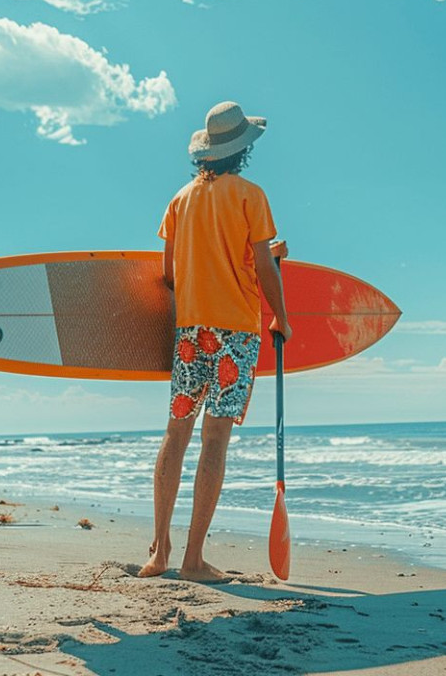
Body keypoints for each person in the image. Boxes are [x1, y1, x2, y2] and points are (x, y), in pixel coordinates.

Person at [139, 101, 292, 582]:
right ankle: (193, 561)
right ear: (242, 151)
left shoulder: (180, 200)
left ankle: (159, 553)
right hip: (236, 333)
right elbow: (264, 265)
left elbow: (168, 272)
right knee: (215, 442)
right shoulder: (251, 196)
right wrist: (281, 318)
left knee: (176, 436)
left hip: (190, 333)